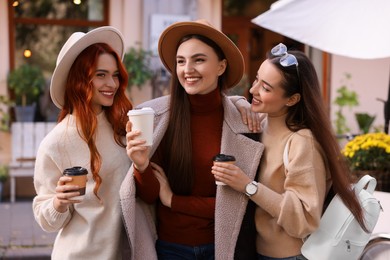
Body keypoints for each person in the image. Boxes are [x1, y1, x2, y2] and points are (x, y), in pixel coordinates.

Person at [120, 19, 264, 260]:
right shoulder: (155, 118)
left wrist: (174, 200)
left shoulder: (244, 122)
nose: (187, 69)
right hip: (170, 249)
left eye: (199, 60)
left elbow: (239, 204)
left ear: (221, 66)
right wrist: (140, 165)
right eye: (181, 61)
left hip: (224, 248)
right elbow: (149, 196)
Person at [212, 43, 367, 260]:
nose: (253, 90)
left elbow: (305, 218)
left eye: (266, 88)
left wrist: (247, 185)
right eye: (256, 79)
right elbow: (223, 103)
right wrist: (240, 103)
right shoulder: (262, 122)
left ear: (292, 99)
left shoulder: (302, 142)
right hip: (256, 251)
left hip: (287, 256)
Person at [32, 26, 133, 259]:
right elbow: (46, 219)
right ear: (79, 79)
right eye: (101, 74)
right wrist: (59, 202)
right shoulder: (56, 142)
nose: (112, 83)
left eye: (115, 74)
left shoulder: (124, 125)